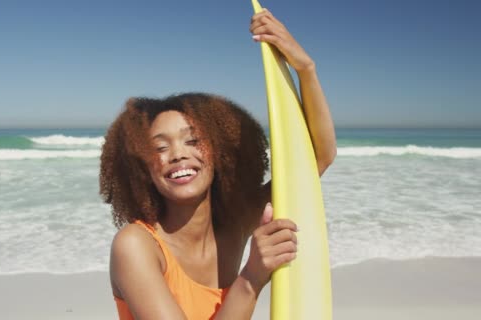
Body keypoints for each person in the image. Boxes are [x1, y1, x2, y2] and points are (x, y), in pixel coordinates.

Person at [99, 8, 336, 320]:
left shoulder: (233, 225)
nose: (178, 154)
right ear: (143, 168)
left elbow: (316, 159)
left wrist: (305, 69)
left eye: (193, 140)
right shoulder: (136, 245)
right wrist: (251, 278)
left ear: (220, 153)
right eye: (160, 147)